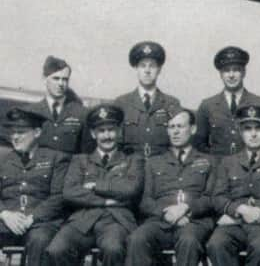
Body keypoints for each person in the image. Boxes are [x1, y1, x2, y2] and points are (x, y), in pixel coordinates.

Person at [46, 104, 144, 266]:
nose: (107, 136)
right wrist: (105, 201)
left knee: (113, 249)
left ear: (119, 131)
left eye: (111, 130)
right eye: (101, 131)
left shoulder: (133, 160)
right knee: (56, 249)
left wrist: (94, 185)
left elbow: (130, 188)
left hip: (116, 220)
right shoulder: (80, 160)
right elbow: (70, 192)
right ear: (93, 133)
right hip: (82, 220)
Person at [125, 110, 217, 266]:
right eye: (171, 127)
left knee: (189, 241)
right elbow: (145, 201)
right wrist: (165, 213)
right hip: (160, 221)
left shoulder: (209, 161)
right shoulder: (154, 162)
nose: (175, 131)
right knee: (137, 238)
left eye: (180, 126)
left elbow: (212, 197)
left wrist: (186, 209)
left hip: (195, 221)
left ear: (193, 129)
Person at [207, 105, 260, 266]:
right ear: (240, 131)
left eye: (258, 128)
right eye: (247, 128)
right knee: (216, 244)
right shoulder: (228, 162)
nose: (253, 134)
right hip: (234, 223)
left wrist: (255, 210)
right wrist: (241, 210)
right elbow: (218, 197)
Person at [0, 107, 70, 266]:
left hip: (41, 222)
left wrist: (32, 218)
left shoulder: (56, 158)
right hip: (7, 221)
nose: (15, 137)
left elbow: (59, 196)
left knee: (40, 240)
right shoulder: (3, 159)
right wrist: (4, 214)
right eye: (12, 132)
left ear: (37, 132)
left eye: (21, 132)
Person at [194, 46, 260, 155]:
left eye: (236, 70)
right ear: (221, 75)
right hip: (219, 169)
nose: (231, 75)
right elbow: (199, 144)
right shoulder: (207, 105)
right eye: (226, 71)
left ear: (244, 72)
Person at [115, 41, 181, 158]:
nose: (147, 70)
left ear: (159, 70)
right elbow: (116, 144)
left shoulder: (172, 103)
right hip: (130, 168)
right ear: (136, 69)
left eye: (152, 65)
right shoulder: (121, 103)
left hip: (161, 169)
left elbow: (178, 143)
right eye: (142, 65)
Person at [26, 56, 89, 153]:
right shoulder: (31, 112)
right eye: (56, 78)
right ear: (44, 79)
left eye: (65, 79)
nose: (61, 83)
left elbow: (86, 154)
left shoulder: (82, 113)